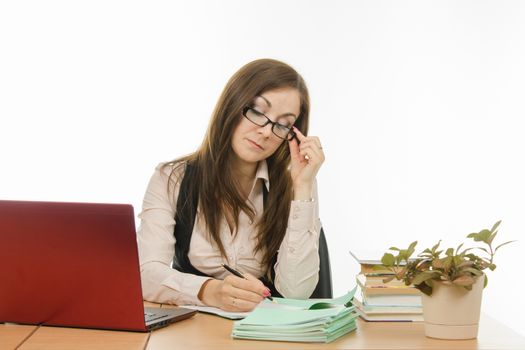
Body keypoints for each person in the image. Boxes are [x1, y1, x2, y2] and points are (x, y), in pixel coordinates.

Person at [137, 58, 325, 312]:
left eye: (283, 124)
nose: (267, 132)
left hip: (261, 332)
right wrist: (208, 291)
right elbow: (145, 273)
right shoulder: (172, 179)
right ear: (232, 105)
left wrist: (303, 189)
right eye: (258, 111)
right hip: (193, 332)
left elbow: (297, 293)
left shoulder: (294, 184)